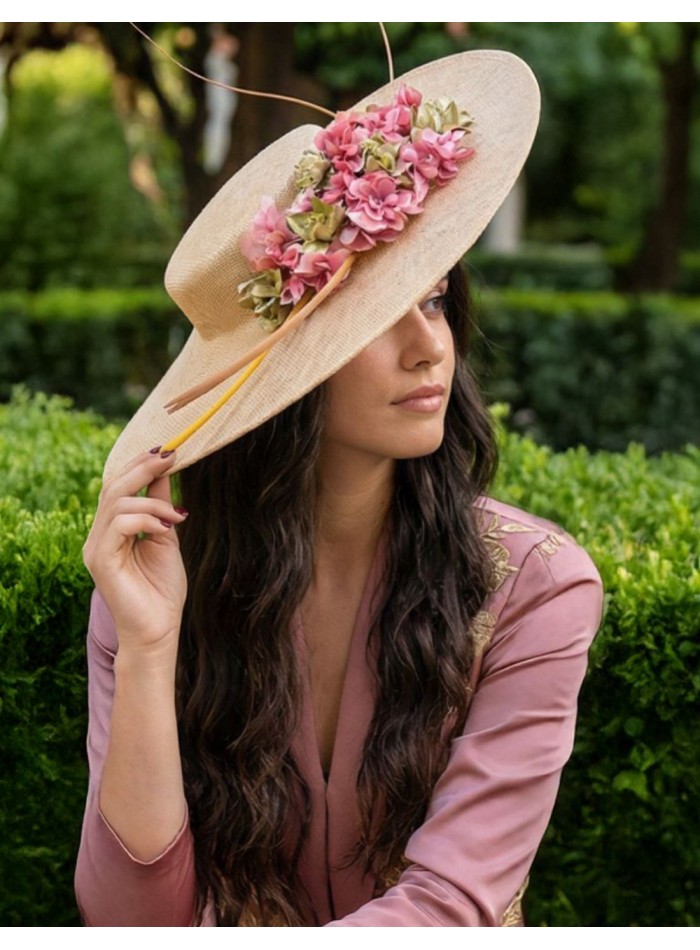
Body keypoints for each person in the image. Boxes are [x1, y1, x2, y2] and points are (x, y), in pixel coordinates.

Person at [75, 47, 604, 927]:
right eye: (375, 317)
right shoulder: (155, 582)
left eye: (433, 299)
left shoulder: (533, 586)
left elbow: (448, 905)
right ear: (283, 373)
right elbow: (131, 920)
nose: (430, 348)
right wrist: (147, 648)